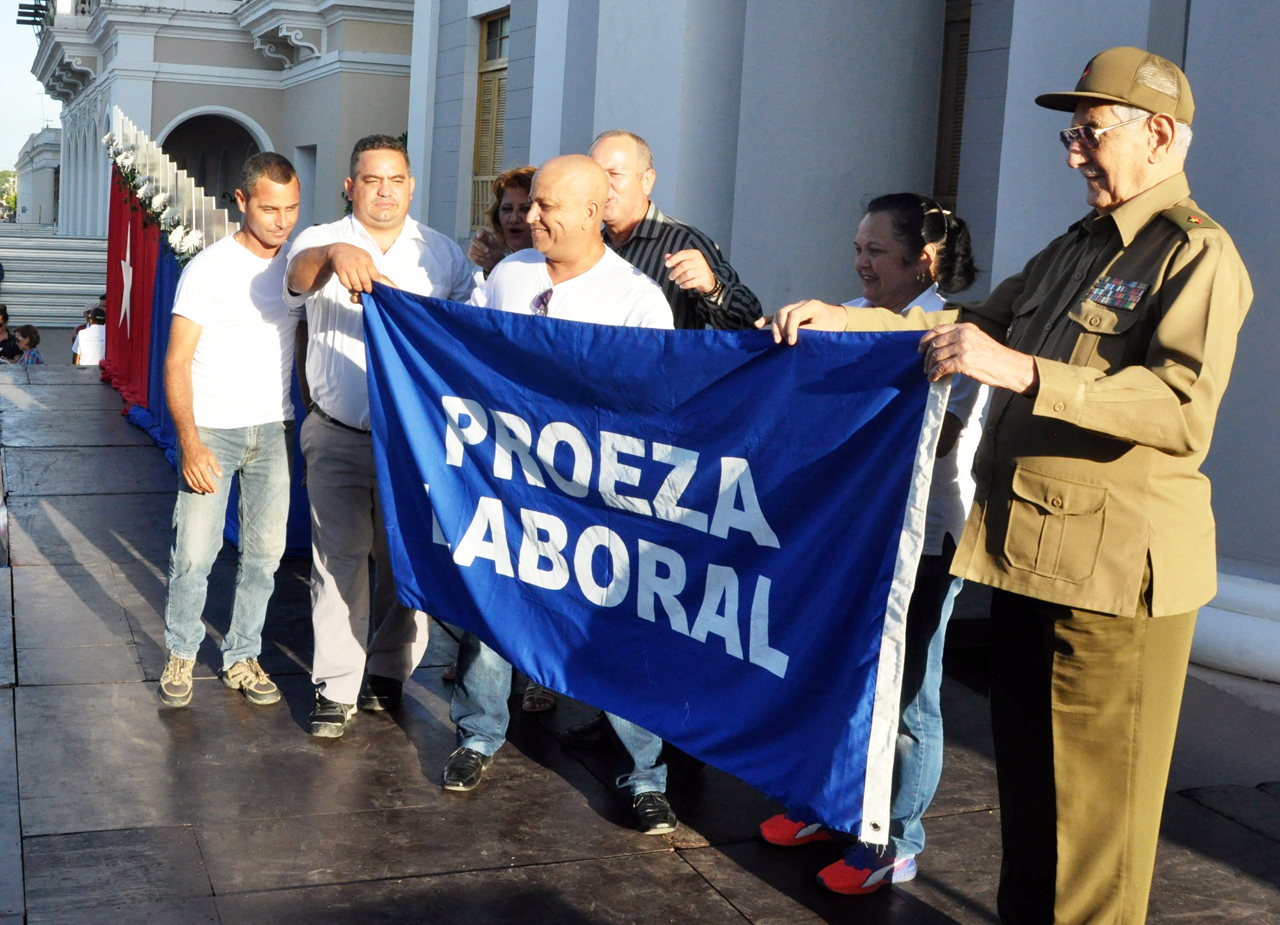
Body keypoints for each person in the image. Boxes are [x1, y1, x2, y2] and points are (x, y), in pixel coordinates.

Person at [764, 47, 1251, 924]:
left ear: (1160, 133)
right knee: (1034, 823)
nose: (1072, 152)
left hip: (1113, 591)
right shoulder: (1080, 246)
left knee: (1091, 846)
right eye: (1071, 133)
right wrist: (849, 319)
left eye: (1089, 133)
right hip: (1033, 565)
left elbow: (1181, 408)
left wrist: (1025, 372)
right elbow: (971, 323)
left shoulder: (1196, 254)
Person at [443, 155, 680, 837]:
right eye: (531, 204)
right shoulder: (510, 275)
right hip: (509, 487)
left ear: (592, 212)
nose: (530, 216)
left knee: (614, 630)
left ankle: (645, 775)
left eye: (547, 206)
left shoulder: (637, 300)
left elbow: (650, 410)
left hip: (597, 505)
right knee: (491, 611)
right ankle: (478, 734)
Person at [757, 193, 986, 895]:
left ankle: (894, 836)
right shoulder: (858, 325)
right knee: (839, 675)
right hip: (853, 532)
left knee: (909, 692)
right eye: (857, 248)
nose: (860, 263)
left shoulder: (960, 334)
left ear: (924, 260)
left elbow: (925, 436)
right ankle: (834, 805)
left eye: (875, 251)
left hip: (927, 539)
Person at [285, 134, 475, 738]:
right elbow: (295, 277)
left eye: (395, 179)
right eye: (372, 180)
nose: (385, 190)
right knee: (338, 562)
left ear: (411, 185)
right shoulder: (319, 239)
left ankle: (389, 671)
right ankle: (336, 687)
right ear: (350, 186)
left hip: (416, 445)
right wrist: (335, 255)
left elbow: (476, 324)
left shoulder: (441, 256)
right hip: (339, 434)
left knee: (403, 562)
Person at [156, 152, 302, 709]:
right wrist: (189, 442)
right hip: (212, 431)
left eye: (291, 208)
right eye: (270, 209)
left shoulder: (297, 266)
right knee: (195, 553)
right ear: (241, 202)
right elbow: (176, 362)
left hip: (274, 429)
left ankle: (242, 657)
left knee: (264, 556)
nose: (282, 221)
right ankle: (182, 652)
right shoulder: (208, 269)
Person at [589, 130, 762, 330]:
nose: (602, 184)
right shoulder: (589, 245)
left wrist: (712, 287)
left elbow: (750, 321)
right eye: (595, 175)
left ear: (646, 181)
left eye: (614, 174)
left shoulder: (685, 243)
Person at [466, 165, 536, 278]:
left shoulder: (561, 266)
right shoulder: (484, 269)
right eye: (507, 209)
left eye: (526, 209)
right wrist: (493, 266)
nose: (514, 218)